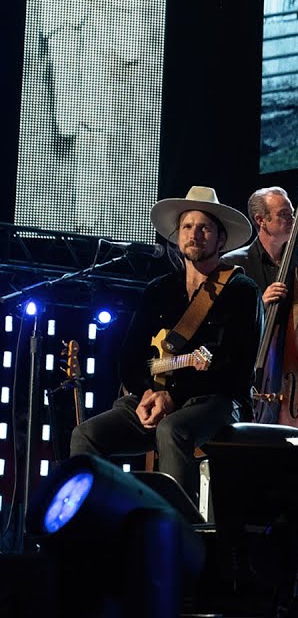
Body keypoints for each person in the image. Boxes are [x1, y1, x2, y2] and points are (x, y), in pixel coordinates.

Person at [69, 186, 262, 501]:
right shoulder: (158, 290)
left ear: (221, 239)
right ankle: (91, 525)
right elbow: (129, 359)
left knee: (171, 430)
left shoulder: (242, 291)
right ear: (177, 235)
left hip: (216, 402)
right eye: (187, 226)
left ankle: (177, 534)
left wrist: (173, 396)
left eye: (204, 228)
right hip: (153, 399)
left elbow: (236, 368)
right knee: (85, 435)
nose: (194, 234)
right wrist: (147, 392)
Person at [222, 186, 298, 305]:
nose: (292, 219)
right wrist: (260, 305)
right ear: (260, 220)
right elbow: (229, 317)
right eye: (283, 214)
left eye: (292, 213)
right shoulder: (233, 263)